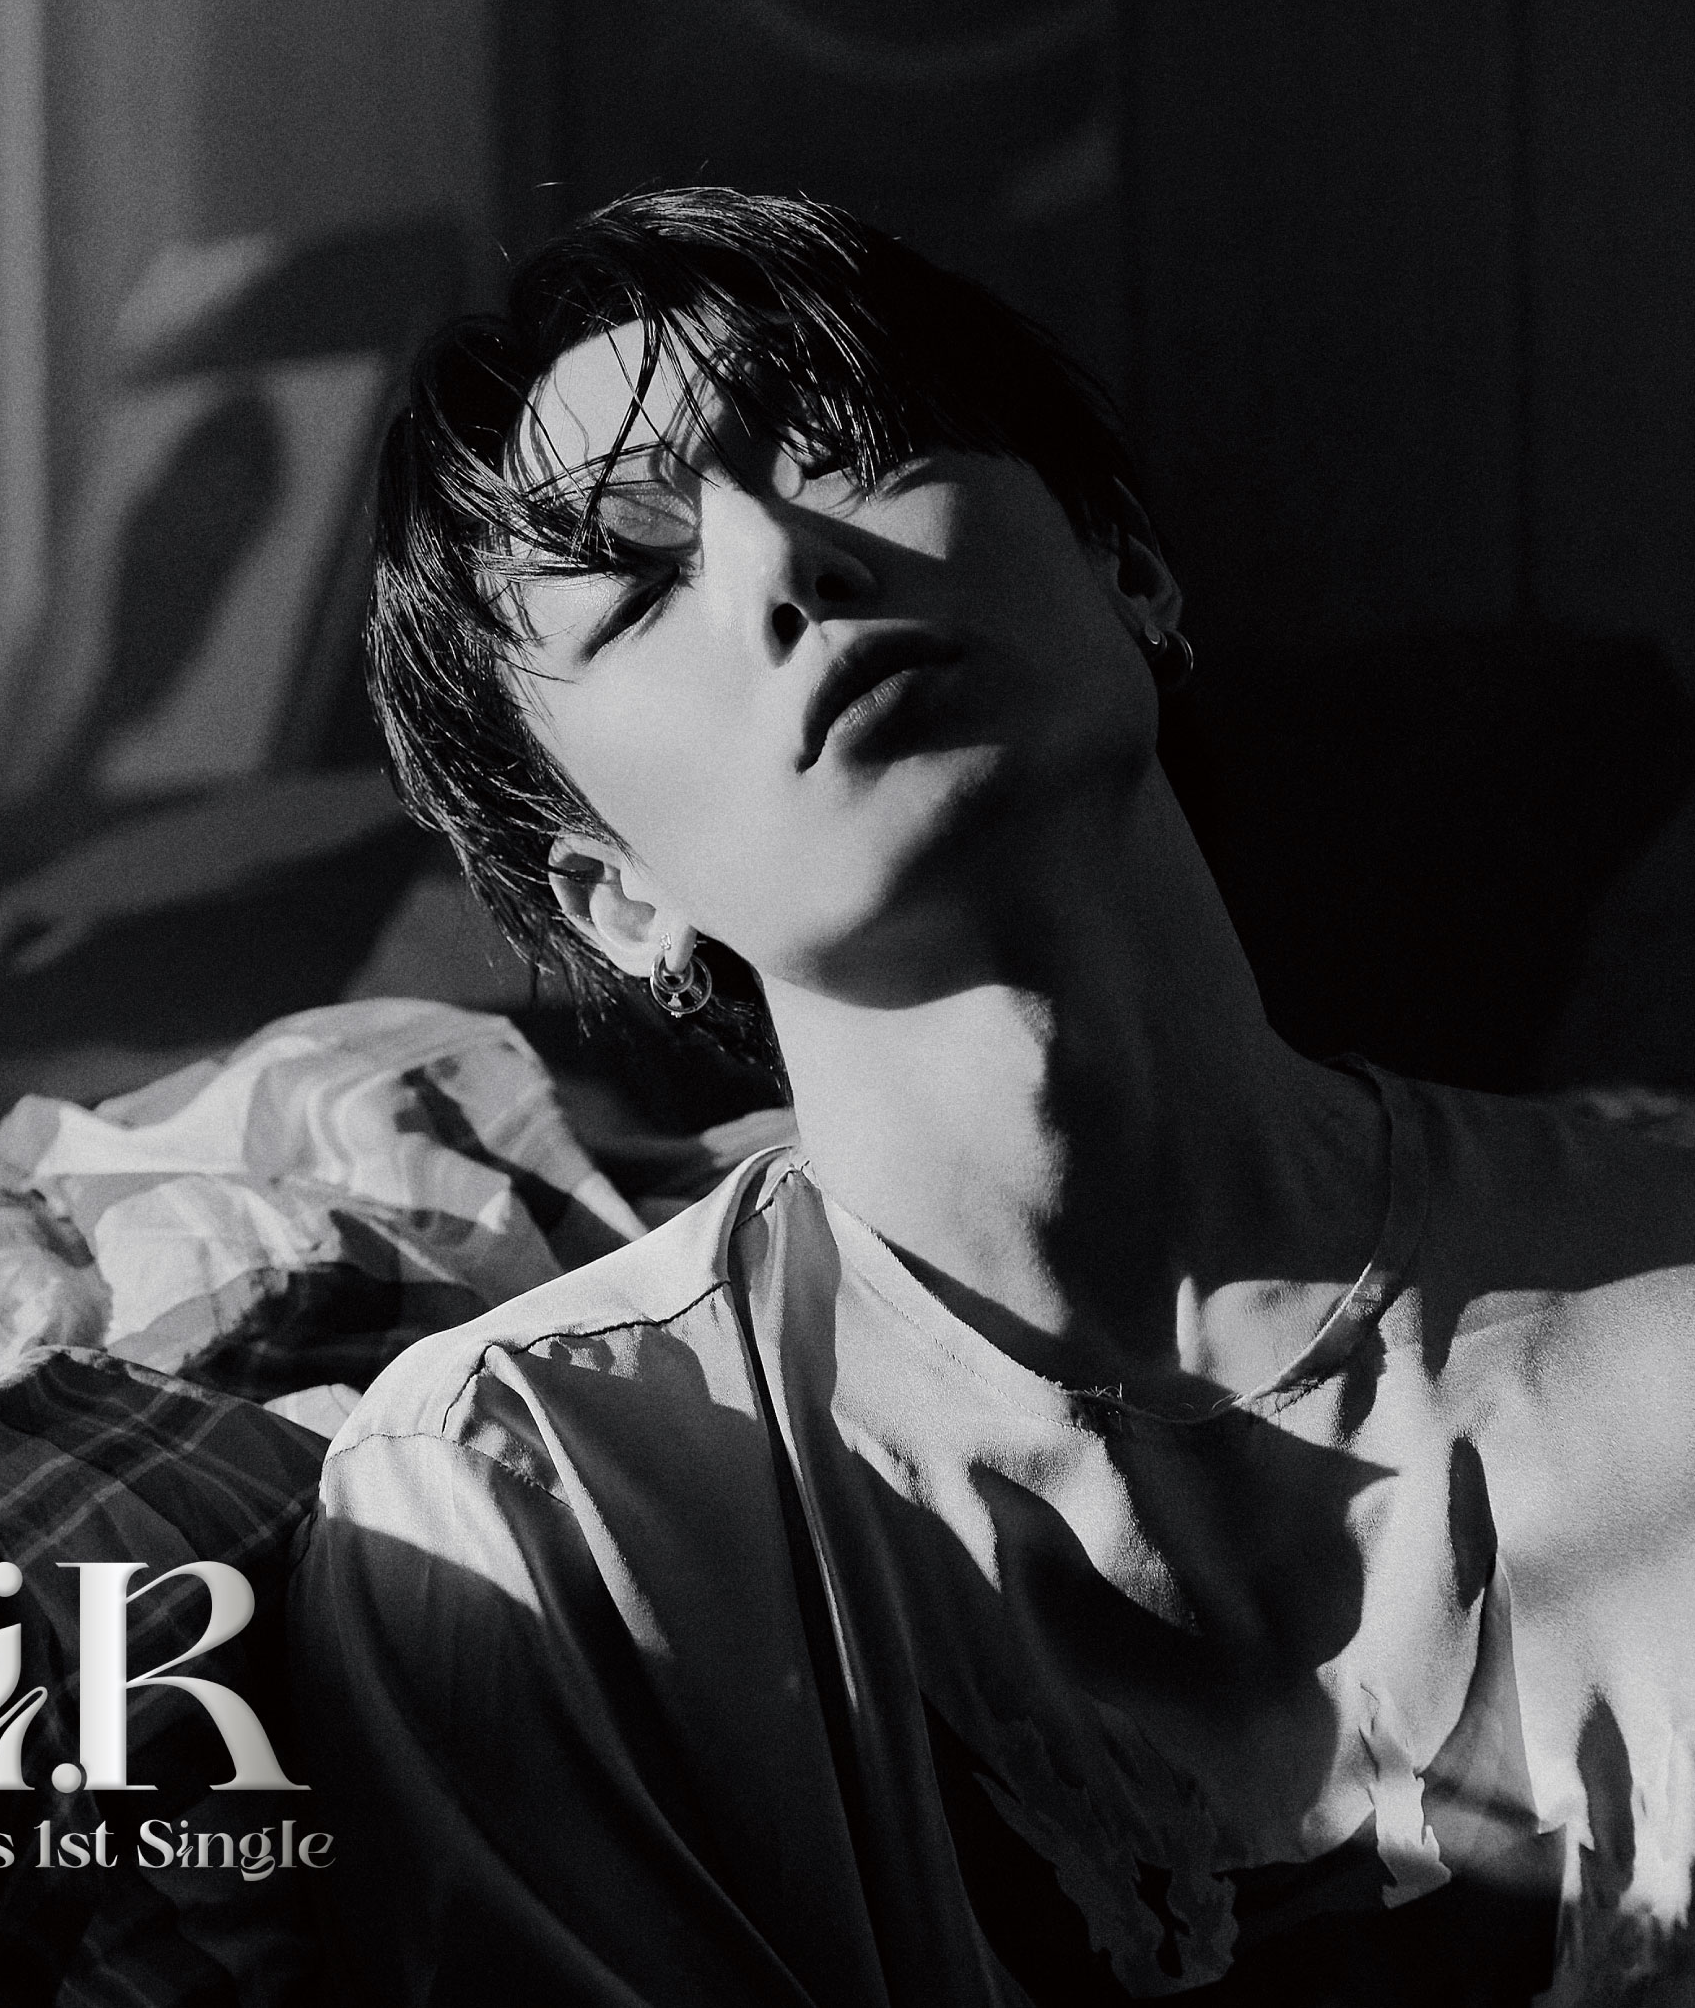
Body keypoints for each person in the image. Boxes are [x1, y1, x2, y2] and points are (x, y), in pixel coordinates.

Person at [294, 188, 1695, 2006]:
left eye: (843, 446)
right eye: (635, 580)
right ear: (613, 894)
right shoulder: (542, 1496)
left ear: (1129, 571)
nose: (784, 564)